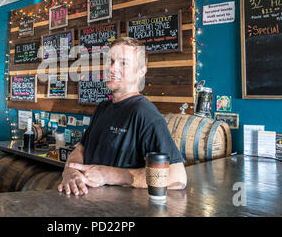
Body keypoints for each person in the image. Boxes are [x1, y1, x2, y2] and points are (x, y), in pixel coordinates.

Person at [58, 37, 187, 196]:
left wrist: (109, 175)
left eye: (123, 63)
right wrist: (71, 171)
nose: (112, 68)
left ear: (141, 71)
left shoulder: (145, 113)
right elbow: (81, 149)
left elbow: (177, 176)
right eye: (110, 61)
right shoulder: (103, 108)